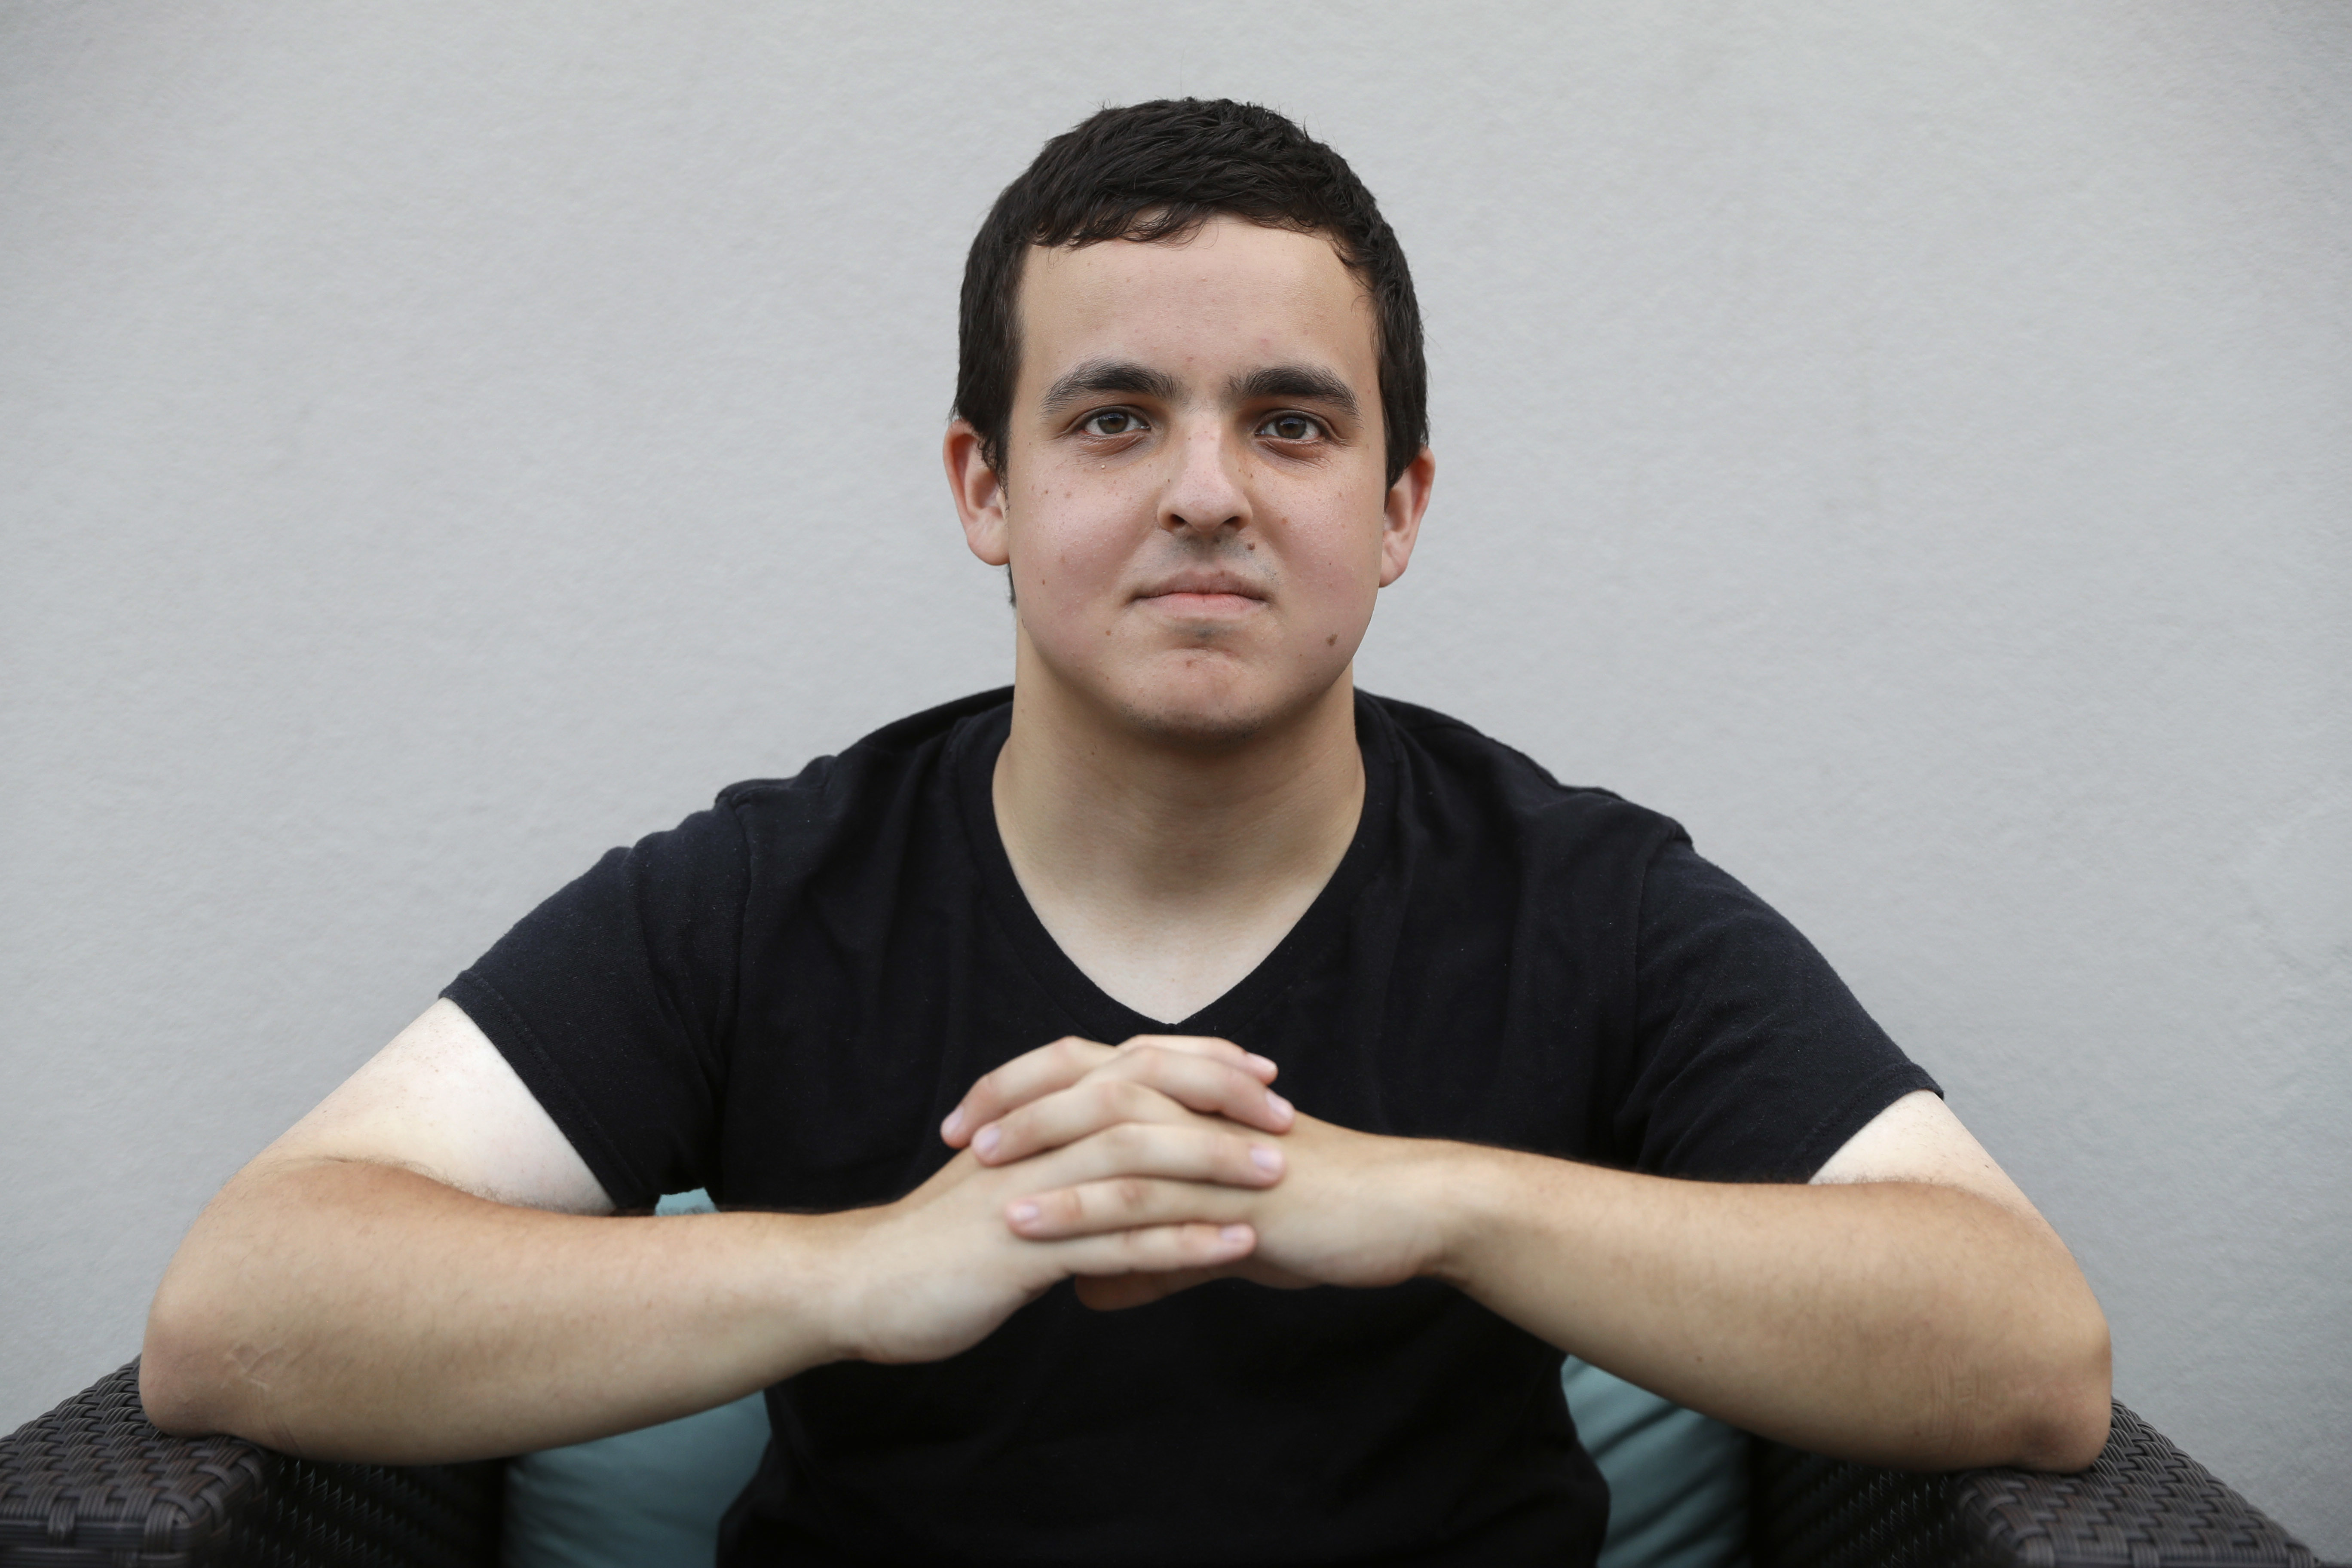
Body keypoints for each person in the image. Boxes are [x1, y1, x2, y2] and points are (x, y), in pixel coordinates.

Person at [140, 99, 2112, 1566]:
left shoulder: (1588, 901)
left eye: (1291, 421)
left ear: (1401, 504)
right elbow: (241, 1319)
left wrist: (1437, 1204)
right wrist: (857, 1273)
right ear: (980, 485)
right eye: (1109, 419)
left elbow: (2027, 1355)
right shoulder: (764, 894)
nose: (1205, 494)